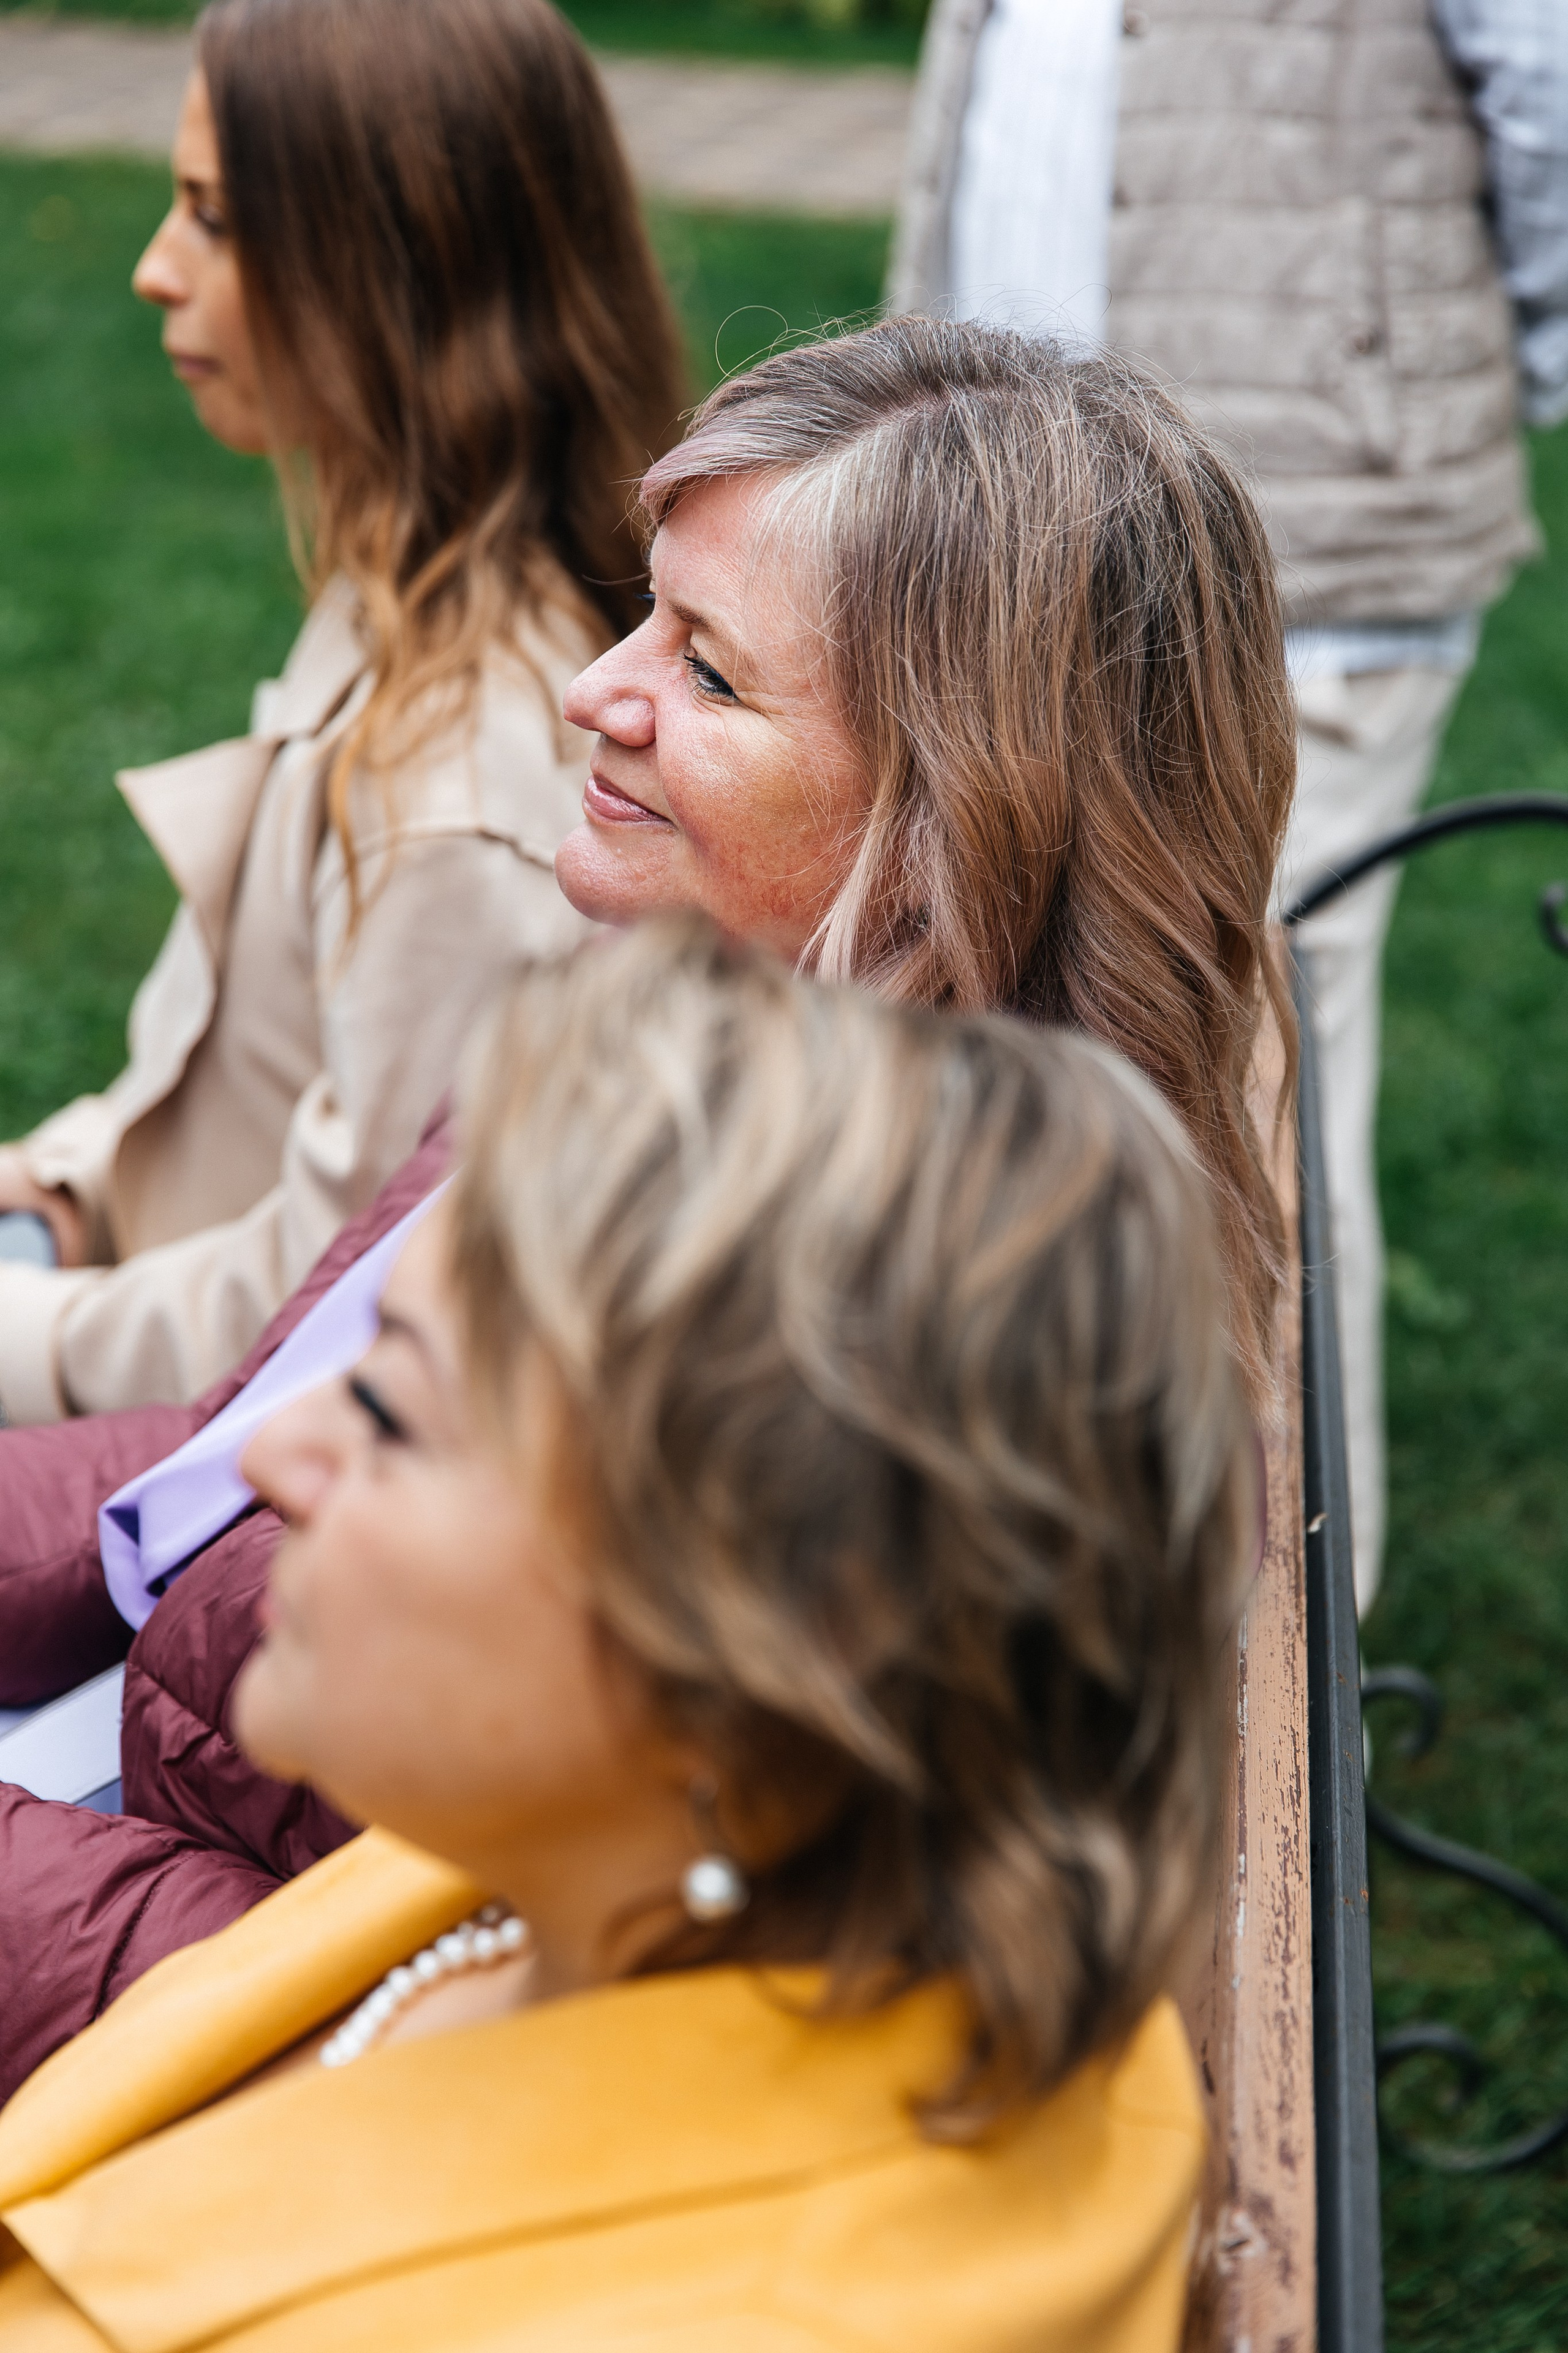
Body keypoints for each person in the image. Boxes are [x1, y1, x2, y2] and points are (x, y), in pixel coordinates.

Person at [0, 319, 1293, 2097]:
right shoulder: (679, 1053)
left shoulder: (837, 1374)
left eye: (712, 674)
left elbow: (426, 2026)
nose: (594, 689)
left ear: (953, 829)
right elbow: (219, 1456)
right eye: (645, 613)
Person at [0, 918, 1254, 2352]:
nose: (276, 1458)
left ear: (737, 1626)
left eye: (390, 1411)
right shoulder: (654, 1871)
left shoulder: (737, 2306)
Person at [889, 0, 1568, 1610]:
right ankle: (1007, 1615)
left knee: (1239, 1108)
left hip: (1298, 550)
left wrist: (1419, 379)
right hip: (987, 550)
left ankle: (1276, 1723)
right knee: (994, 1071)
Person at [0, 0, 685, 1425]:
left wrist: (33, 1337)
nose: (149, 270)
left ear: (387, 267)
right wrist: (64, 1185)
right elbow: (239, 1077)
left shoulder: (462, 767)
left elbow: (341, 1294)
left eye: (213, 218)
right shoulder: (401, 599)